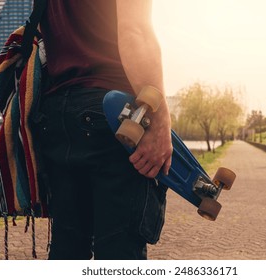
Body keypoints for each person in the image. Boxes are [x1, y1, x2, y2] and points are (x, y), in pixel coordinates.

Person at [37, 0, 173, 260]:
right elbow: (135, 31)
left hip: (57, 116)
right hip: (110, 113)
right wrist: (161, 119)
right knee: (119, 254)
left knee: (67, 248)